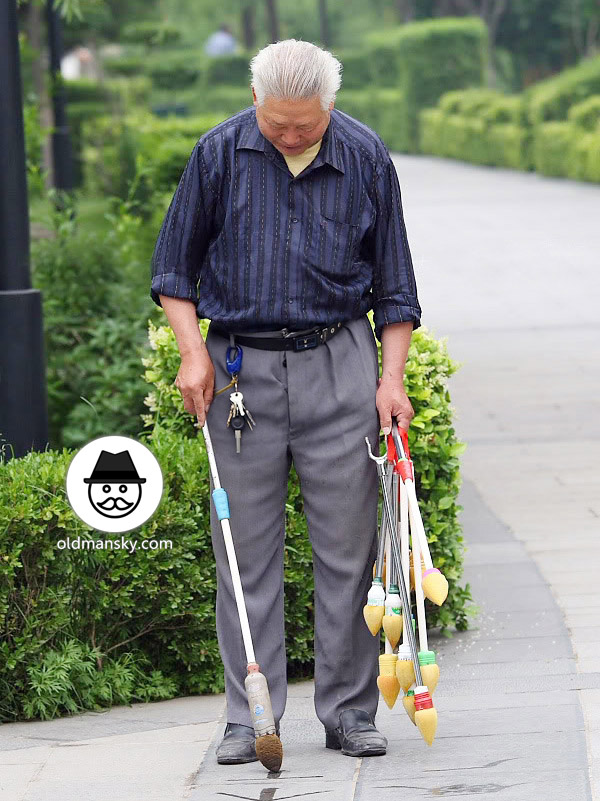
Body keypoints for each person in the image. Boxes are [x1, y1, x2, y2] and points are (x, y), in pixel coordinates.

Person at [150, 38, 421, 764]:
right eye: (278, 125)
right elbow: (173, 270)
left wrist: (389, 380)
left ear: (329, 106)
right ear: (255, 101)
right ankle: (251, 714)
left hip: (340, 361)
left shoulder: (365, 156)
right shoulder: (217, 154)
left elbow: (396, 288)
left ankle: (348, 711)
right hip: (241, 369)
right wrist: (191, 349)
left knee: (347, 550)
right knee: (242, 552)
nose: (292, 137)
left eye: (306, 125)